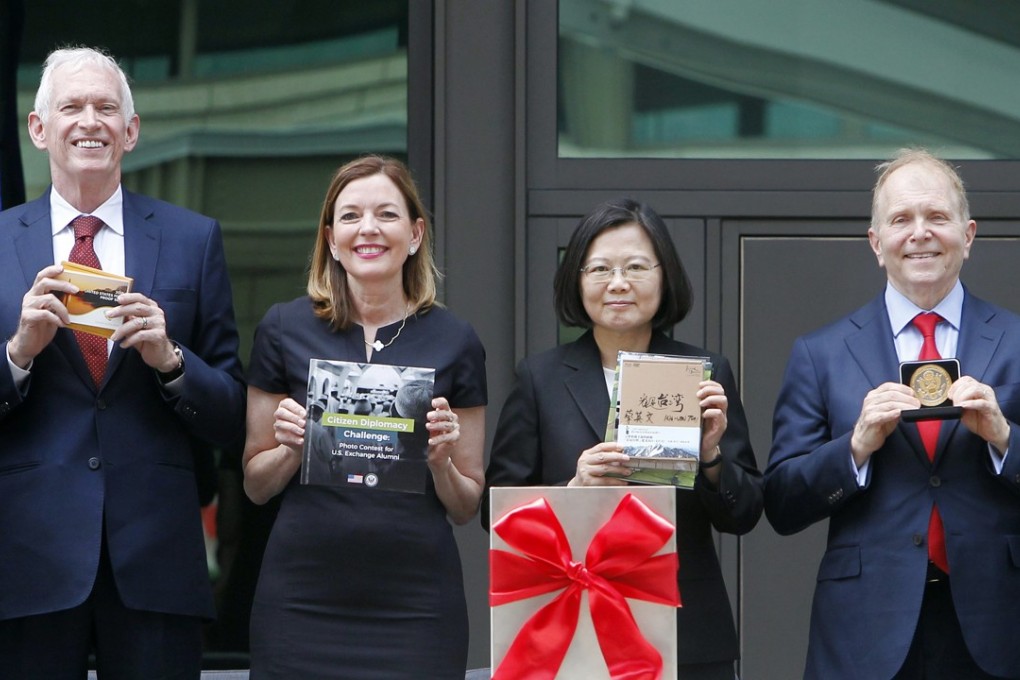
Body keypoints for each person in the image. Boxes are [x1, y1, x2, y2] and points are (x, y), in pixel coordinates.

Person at [0, 46, 245, 677]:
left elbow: (235, 414)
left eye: (107, 108)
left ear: (130, 132)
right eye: (71, 107)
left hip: (156, 558)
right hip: (28, 558)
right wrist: (18, 356)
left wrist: (171, 361)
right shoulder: (1, 243)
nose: (90, 121)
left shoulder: (195, 239)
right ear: (38, 128)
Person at [765, 149, 1020, 679]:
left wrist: (1004, 438)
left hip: (999, 622)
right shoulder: (822, 352)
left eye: (937, 217)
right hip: (865, 628)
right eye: (901, 220)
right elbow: (782, 503)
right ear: (876, 243)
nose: (920, 233)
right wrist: (854, 448)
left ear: (968, 235)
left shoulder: (1017, 340)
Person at [483, 198, 763, 680]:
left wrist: (710, 457)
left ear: (664, 276)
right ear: (577, 279)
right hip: (572, 620)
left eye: (636, 267)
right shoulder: (541, 377)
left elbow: (746, 512)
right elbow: (496, 512)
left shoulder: (704, 373)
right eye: (600, 269)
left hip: (685, 623)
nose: (618, 283)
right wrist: (572, 490)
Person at [242, 155, 487, 679]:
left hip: (417, 603)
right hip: (301, 596)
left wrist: (442, 462)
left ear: (416, 234)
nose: (368, 229)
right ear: (331, 238)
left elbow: (467, 505)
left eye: (386, 214)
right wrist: (289, 447)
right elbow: (255, 486)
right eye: (350, 216)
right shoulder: (284, 328)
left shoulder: (455, 340)